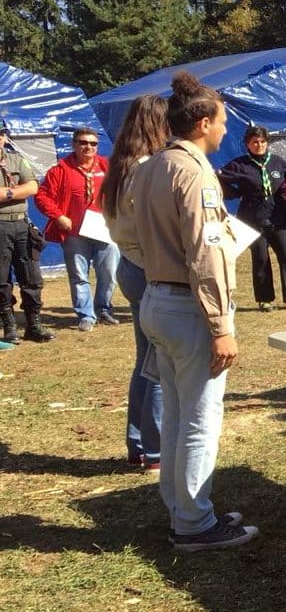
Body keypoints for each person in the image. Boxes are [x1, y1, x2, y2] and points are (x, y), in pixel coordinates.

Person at [131, 71, 256, 551]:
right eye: (222, 122)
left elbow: (133, 237)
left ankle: (182, 507)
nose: (225, 131)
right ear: (203, 122)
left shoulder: (149, 167)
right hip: (189, 308)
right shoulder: (195, 171)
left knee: (179, 415)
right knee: (201, 419)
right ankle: (195, 524)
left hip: (158, 298)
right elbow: (207, 253)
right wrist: (221, 325)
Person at [100, 94, 170, 470]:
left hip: (128, 265)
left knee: (144, 360)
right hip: (148, 268)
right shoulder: (146, 169)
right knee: (158, 363)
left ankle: (139, 443)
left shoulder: (120, 167)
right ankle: (156, 449)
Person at [218, 126, 286, 313]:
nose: (259, 145)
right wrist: (235, 192)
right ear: (247, 144)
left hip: (277, 218)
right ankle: (264, 300)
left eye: (263, 142)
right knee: (261, 259)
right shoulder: (240, 165)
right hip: (253, 220)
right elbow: (219, 178)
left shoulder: (277, 163)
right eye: (255, 142)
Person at [35, 127, 121, 331]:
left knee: (109, 272)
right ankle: (86, 315)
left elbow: (121, 189)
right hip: (74, 233)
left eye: (93, 143)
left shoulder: (106, 165)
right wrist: (58, 216)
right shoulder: (60, 170)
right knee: (79, 276)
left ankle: (103, 309)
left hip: (104, 229)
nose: (88, 147)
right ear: (74, 144)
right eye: (83, 142)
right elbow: (42, 196)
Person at [0, 117, 54, 344]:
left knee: (31, 276)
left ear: (3, 137)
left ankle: (34, 325)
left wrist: (8, 193)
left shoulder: (17, 160)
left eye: (0, 134)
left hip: (22, 224)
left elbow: (33, 186)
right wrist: (18, 190)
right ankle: (9, 325)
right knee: (1, 279)